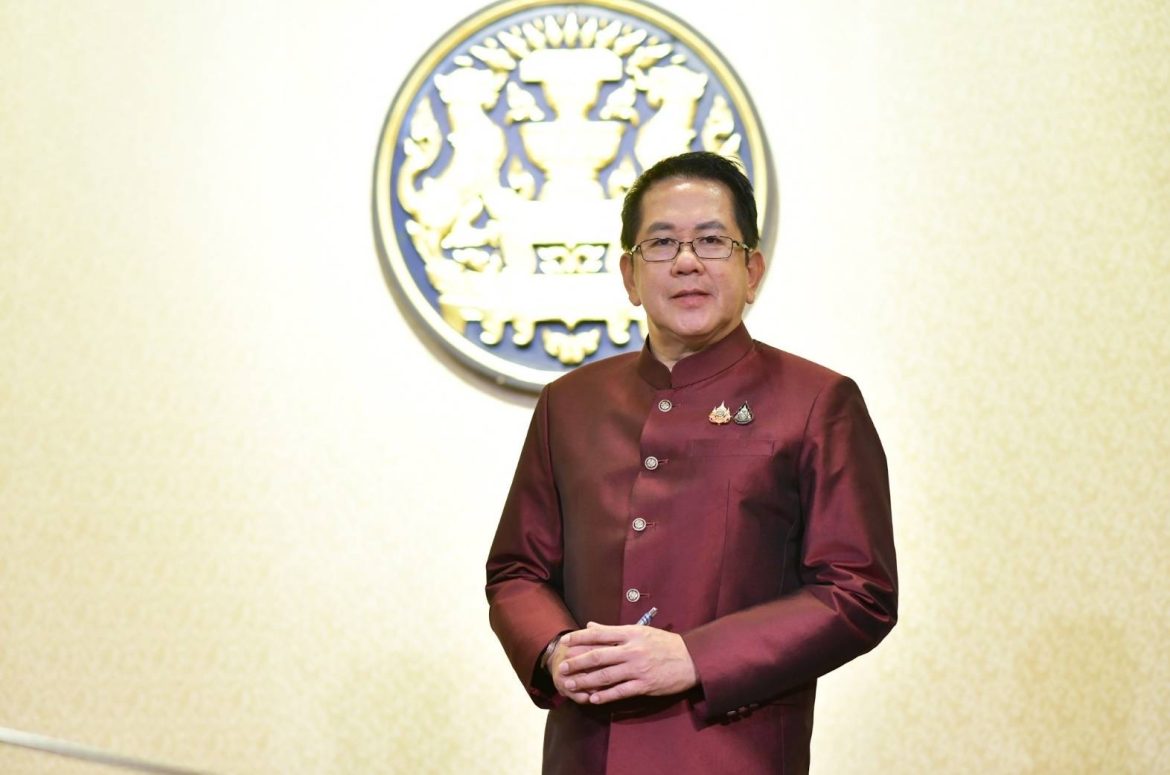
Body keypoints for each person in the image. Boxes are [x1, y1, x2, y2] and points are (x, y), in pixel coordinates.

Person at [485, 151, 897, 774]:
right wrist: (553, 648)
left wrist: (696, 658)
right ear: (629, 276)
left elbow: (860, 591)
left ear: (752, 270)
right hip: (587, 753)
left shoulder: (817, 402)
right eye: (660, 244)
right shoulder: (568, 404)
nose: (685, 262)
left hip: (733, 753)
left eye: (711, 241)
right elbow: (517, 570)